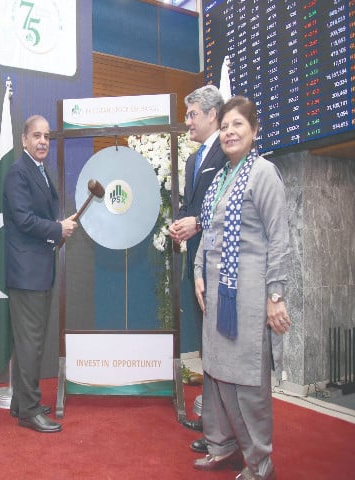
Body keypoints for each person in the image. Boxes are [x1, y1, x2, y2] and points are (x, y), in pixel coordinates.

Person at [192, 96, 290, 480]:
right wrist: (199, 271)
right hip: (216, 293)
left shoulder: (263, 173)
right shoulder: (219, 177)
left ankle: (260, 462)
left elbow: (279, 239)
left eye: (239, 125)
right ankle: (222, 444)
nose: (230, 132)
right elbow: (208, 234)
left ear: (254, 132)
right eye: (226, 126)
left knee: (246, 378)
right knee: (215, 372)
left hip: (246, 295)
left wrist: (275, 295)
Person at [3, 115, 78, 433]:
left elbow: (39, 220)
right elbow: (22, 219)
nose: (43, 141)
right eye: (36, 135)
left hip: (38, 270)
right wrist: (57, 228)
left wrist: (58, 230)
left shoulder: (40, 171)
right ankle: (30, 410)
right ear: (23, 140)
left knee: (28, 343)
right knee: (31, 343)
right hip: (26, 273)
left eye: (47, 136)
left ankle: (21, 402)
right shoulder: (17, 173)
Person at [169, 85, 227, 454]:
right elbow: (191, 204)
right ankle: (213, 422)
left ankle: (221, 427)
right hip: (197, 263)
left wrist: (198, 224)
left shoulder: (228, 150)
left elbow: (225, 205)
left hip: (222, 265)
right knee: (207, 343)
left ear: (212, 115)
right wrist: (179, 223)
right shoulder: (193, 159)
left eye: (192, 114)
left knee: (220, 345)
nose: (187, 121)